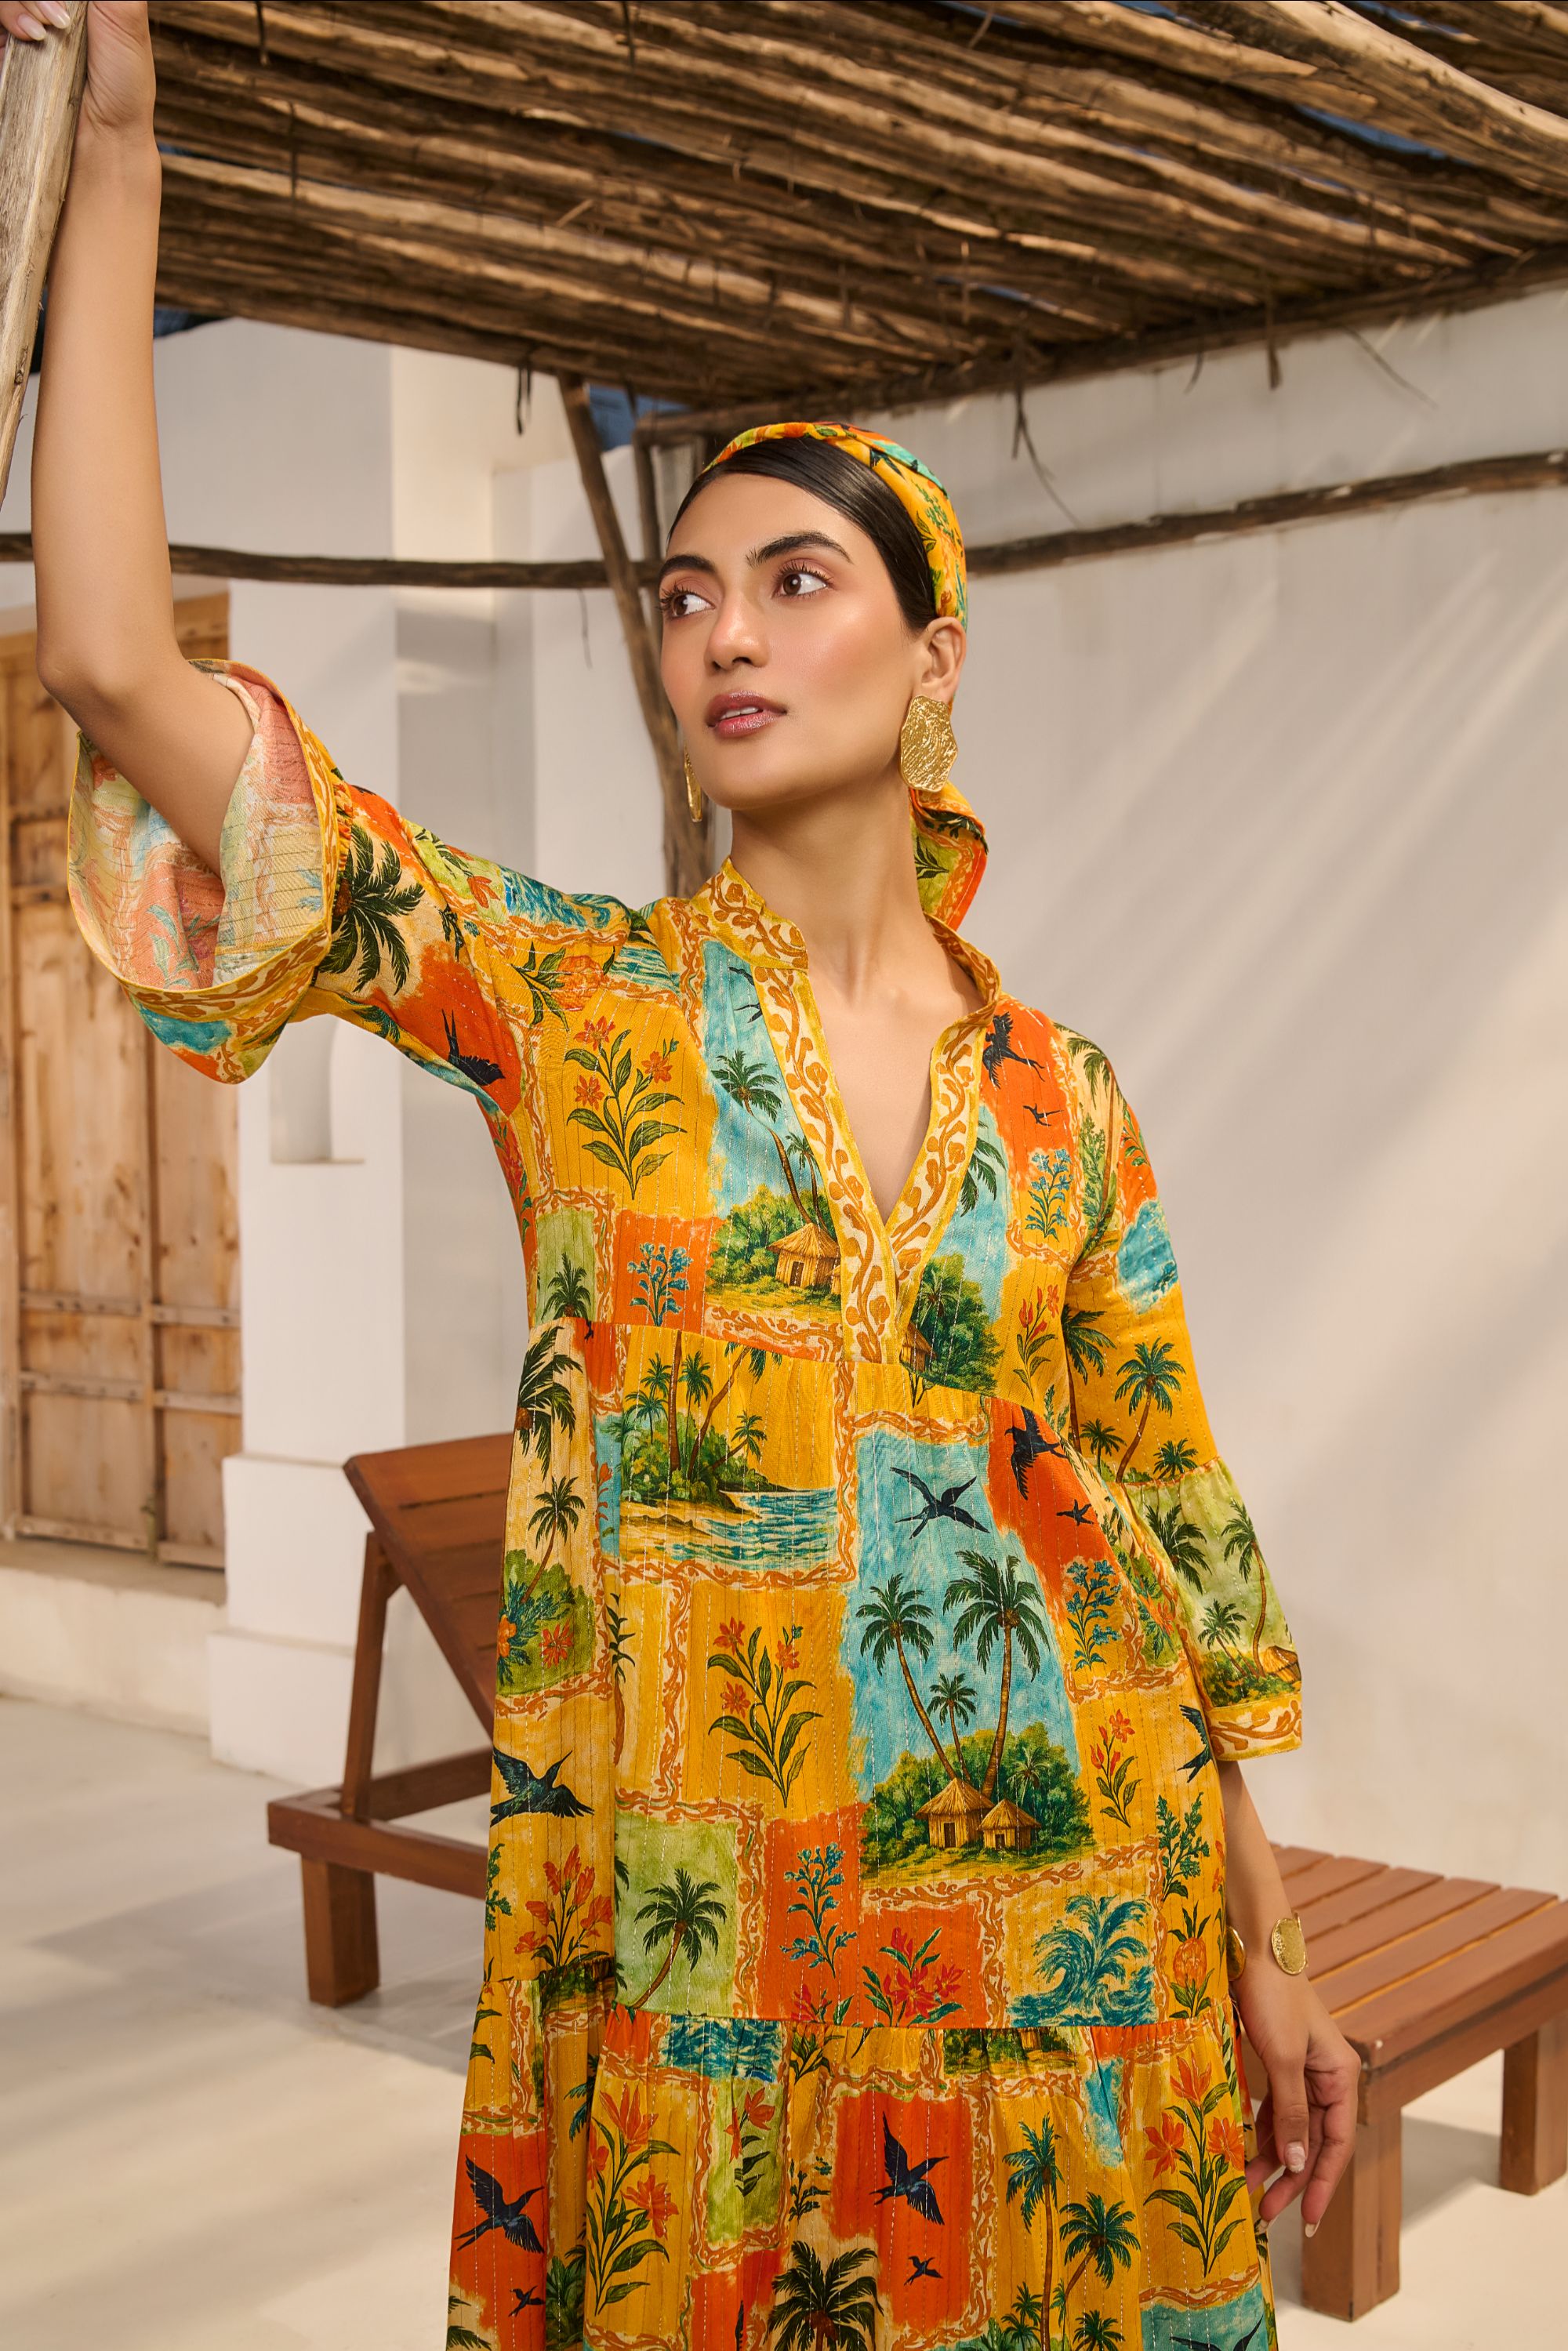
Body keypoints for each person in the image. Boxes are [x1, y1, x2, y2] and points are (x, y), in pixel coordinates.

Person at [14, 4, 1360, 2346]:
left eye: (797, 580)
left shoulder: (1064, 1096)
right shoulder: (576, 1005)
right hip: (705, 1970)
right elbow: (123, 671)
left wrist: (1275, 1944)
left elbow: (1169, 1524)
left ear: (933, 657)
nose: (724, 627)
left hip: (1072, 1951)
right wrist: (120, 156)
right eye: (687, 591)